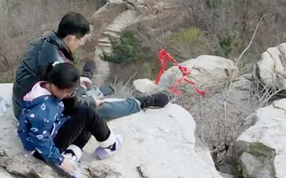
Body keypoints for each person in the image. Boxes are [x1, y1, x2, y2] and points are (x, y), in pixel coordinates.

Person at [11, 12, 168, 121]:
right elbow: (71, 102)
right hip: (35, 114)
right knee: (101, 110)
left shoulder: (41, 42)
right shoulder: (55, 63)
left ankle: (88, 84)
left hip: (22, 104)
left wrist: (77, 81)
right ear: (72, 38)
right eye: (81, 41)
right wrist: (92, 103)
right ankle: (143, 102)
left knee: (79, 86)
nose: (80, 44)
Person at [17, 63, 121, 178]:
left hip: (51, 129)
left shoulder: (42, 86)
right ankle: (111, 145)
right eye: (69, 92)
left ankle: (71, 153)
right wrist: (58, 160)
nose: (69, 95)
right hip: (41, 150)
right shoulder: (45, 109)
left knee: (82, 117)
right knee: (88, 114)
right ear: (58, 87)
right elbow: (40, 139)